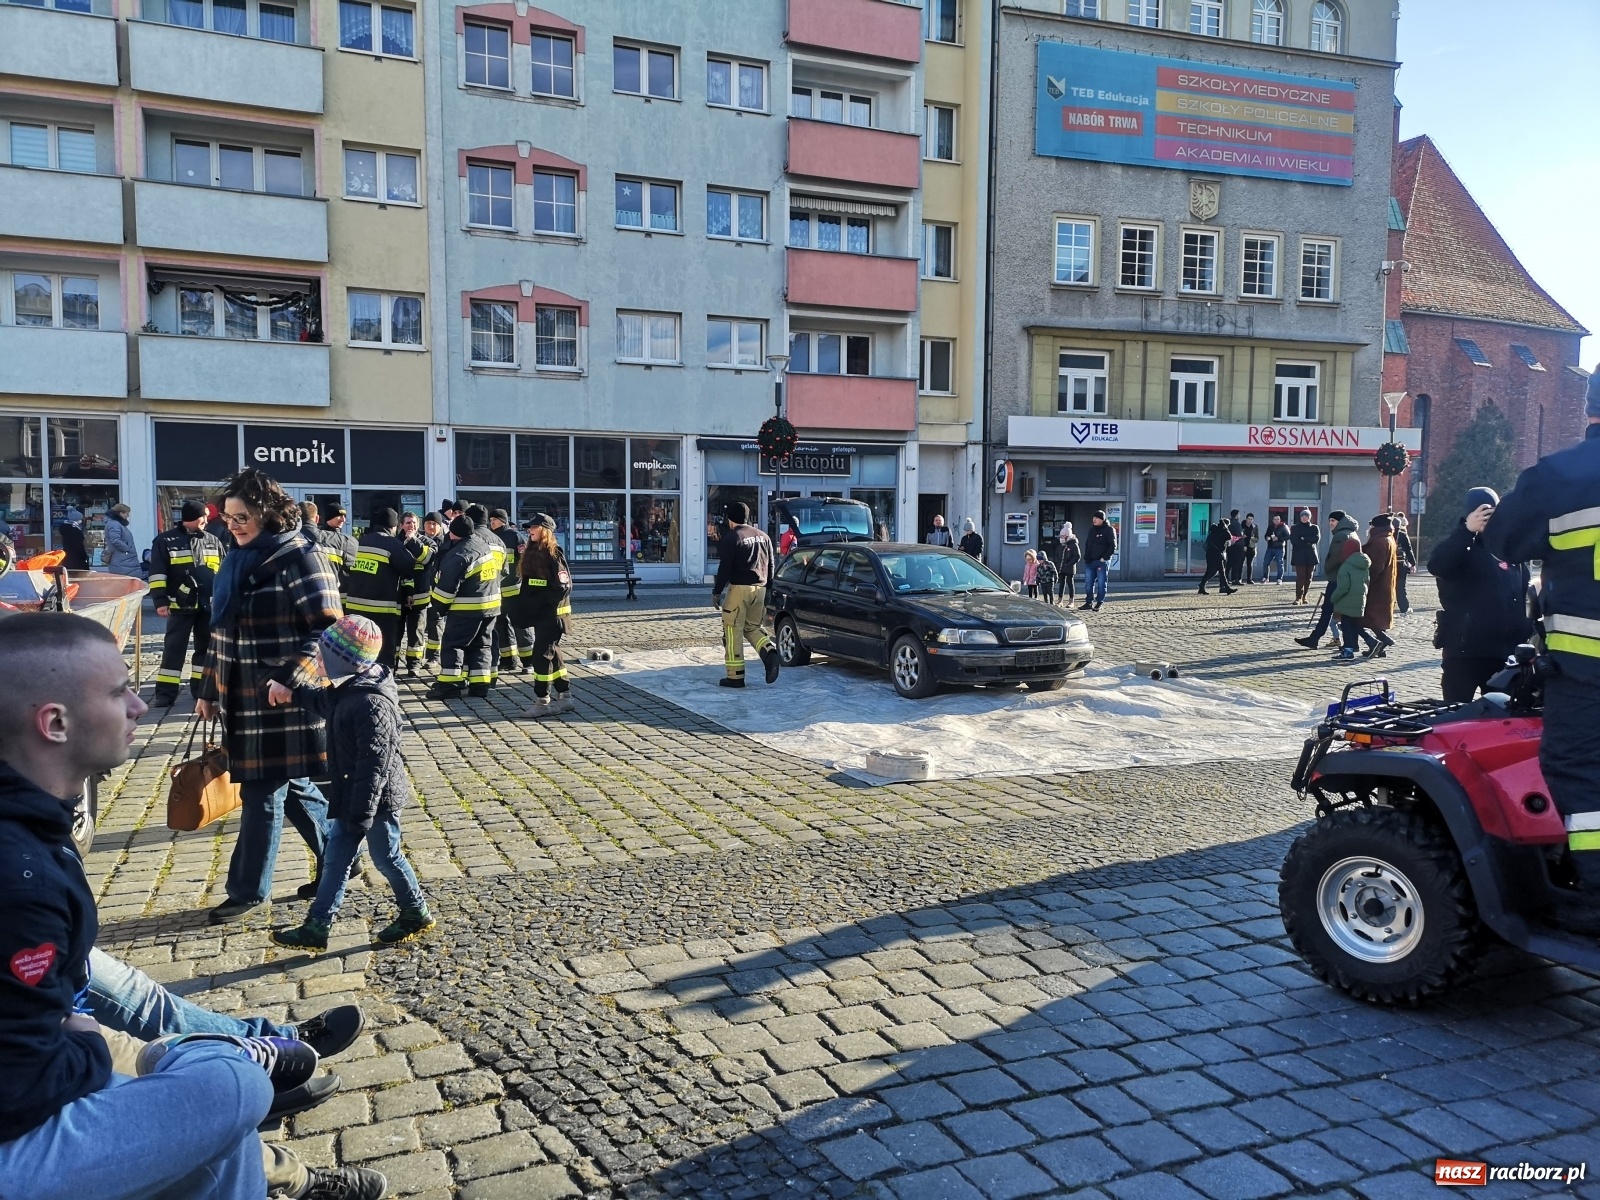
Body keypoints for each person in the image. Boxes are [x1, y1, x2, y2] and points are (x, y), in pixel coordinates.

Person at [0, 613, 386, 1200]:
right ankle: (245, 1060)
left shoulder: (31, 826)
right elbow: (21, 1083)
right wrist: (81, 1042)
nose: (140, 706)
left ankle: (266, 1093)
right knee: (230, 1091)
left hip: (51, 1045)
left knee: (146, 1012)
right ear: (54, 723)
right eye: (117, 691)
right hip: (22, 1131)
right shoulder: (20, 878)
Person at [84, 947, 379, 1198]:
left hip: (51, 1020)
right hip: (42, 1062)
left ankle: (260, 1064)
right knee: (169, 1115)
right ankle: (296, 1180)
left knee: (147, 1020)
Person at [1482, 373, 1600, 922]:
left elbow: (1504, 538)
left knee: (1579, 772)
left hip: (1588, 673)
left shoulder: (1564, 476)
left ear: (1588, 409)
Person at [197, 468, 337, 925]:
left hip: (284, 699)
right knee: (291, 786)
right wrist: (208, 690)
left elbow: (329, 630)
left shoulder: (302, 556)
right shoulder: (235, 559)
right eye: (229, 517)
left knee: (261, 793)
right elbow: (222, 631)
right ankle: (340, 858)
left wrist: (291, 677)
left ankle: (247, 891)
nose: (233, 526)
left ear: (270, 514)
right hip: (242, 697)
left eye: (243, 517)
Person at [271, 616, 434, 952]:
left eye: (321, 656)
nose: (316, 661)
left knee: (386, 857)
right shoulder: (348, 688)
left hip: (376, 802)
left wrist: (361, 813)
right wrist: (293, 691)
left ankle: (416, 911)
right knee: (335, 858)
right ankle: (318, 925)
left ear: (341, 660)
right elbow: (322, 703)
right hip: (350, 794)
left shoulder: (371, 702)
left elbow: (376, 765)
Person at [1427, 486, 1532, 703]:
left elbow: (1520, 595)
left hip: (1504, 653)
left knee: (1500, 719)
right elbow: (1438, 565)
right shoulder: (1460, 545)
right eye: (1481, 513)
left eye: (1492, 514)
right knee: (1456, 715)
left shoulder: (1507, 550)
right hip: (1465, 652)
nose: (1486, 519)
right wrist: (1467, 530)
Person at [148, 499, 227, 706]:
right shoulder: (165, 541)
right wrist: (160, 601)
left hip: (207, 606)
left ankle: (201, 690)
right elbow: (157, 573)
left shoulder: (213, 540)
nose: (207, 520)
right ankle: (165, 694)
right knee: (174, 649)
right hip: (178, 606)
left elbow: (223, 573)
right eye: (204, 516)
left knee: (206, 649)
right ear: (194, 518)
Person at [427, 513, 501, 699]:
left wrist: (438, 608)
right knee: (482, 645)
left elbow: (447, 588)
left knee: (454, 645)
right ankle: (480, 686)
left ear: (453, 533)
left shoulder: (460, 553)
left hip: (467, 609)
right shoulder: (481, 545)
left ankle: (449, 685)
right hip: (491, 607)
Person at [711, 501, 778, 689]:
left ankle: (735, 677)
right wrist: (769, 590)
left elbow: (724, 568)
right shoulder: (764, 537)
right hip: (761, 588)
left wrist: (717, 592)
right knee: (752, 627)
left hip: (739, 590)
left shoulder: (732, 538)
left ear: (730, 519)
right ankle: (770, 653)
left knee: (733, 630)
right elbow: (771, 565)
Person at [515, 513, 575, 718]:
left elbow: (563, 587)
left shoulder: (553, 553)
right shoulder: (534, 552)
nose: (529, 530)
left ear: (545, 530)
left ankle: (542, 702)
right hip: (541, 615)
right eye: (529, 527)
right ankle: (565, 697)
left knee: (541, 656)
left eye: (534, 527)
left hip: (553, 616)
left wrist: (541, 603)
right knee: (553, 653)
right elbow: (533, 585)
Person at [343, 507, 416, 671]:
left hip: (355, 607)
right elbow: (409, 565)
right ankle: (382, 680)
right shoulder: (392, 544)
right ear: (394, 526)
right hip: (381, 609)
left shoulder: (360, 541)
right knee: (382, 648)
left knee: (358, 646)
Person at [1295, 511, 1360, 648]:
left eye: (1333, 521)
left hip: (1338, 578)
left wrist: (1328, 569)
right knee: (1335, 611)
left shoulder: (1341, 535)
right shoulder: (1351, 532)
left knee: (1329, 610)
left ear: (1340, 522)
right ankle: (1317, 638)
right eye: (1329, 520)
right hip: (1345, 577)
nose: (1331, 523)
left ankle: (1352, 643)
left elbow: (1335, 558)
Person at [487, 509, 531, 677]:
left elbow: (525, 560)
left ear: (503, 521)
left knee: (520, 625)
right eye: (490, 519)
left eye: (495, 519)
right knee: (500, 625)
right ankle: (508, 659)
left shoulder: (515, 537)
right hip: (497, 592)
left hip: (514, 590)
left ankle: (528, 661)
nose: (492, 522)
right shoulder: (491, 537)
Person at [398, 511, 435, 676]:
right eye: (407, 523)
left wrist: (412, 541)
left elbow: (427, 559)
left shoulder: (427, 542)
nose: (411, 526)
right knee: (396, 632)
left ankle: (414, 665)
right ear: (401, 525)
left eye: (413, 523)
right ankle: (392, 664)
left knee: (416, 633)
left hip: (420, 595)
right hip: (398, 595)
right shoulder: (395, 542)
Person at [1358, 514, 1398, 659]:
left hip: (1376, 588)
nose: (1370, 528)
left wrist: (1365, 582)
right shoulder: (1387, 539)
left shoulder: (1380, 542)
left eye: (1372, 525)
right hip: (1382, 587)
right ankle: (1380, 647)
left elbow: (1375, 567)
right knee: (1372, 619)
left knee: (1360, 618)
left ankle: (1380, 642)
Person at [1329, 536, 1372, 661]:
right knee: (1354, 625)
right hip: (1360, 599)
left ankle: (1348, 651)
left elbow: (1343, 587)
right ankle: (1355, 646)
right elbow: (1367, 582)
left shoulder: (1346, 566)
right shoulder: (1365, 564)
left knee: (1347, 626)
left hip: (1346, 601)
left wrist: (1333, 598)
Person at [418, 511, 447, 671]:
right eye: (428, 523)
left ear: (440, 525)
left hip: (440, 589)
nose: (431, 526)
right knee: (422, 625)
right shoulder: (420, 540)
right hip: (422, 586)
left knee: (436, 624)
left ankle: (433, 657)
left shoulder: (446, 542)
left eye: (434, 523)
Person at [319, 504, 358, 599]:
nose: (343, 520)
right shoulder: (320, 537)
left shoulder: (347, 540)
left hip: (339, 593)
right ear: (329, 517)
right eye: (339, 516)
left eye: (344, 516)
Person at [1081, 510, 1116, 612]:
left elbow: (1113, 546)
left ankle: (1099, 602)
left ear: (1102, 519)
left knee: (1101, 583)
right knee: (1088, 583)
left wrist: (1104, 558)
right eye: (1093, 518)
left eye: (1097, 518)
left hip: (1102, 561)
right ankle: (1088, 602)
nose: (1094, 520)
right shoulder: (1092, 530)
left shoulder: (1109, 530)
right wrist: (1086, 557)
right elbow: (1088, 544)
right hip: (1090, 561)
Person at [1198, 515, 1236, 596]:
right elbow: (1229, 536)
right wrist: (1226, 528)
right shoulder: (1222, 532)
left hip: (1210, 553)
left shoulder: (1214, 531)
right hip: (1217, 554)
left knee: (1211, 571)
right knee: (1222, 571)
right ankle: (1226, 588)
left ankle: (1202, 586)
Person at [1288, 509, 1320, 602]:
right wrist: (1307, 541)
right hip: (1299, 555)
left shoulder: (1314, 528)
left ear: (1309, 517)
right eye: (1302, 516)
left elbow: (1316, 539)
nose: (1304, 518)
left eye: (1306, 516)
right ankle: (1298, 597)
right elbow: (1294, 541)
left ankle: (1305, 596)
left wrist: (1303, 538)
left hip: (1311, 555)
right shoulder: (1295, 528)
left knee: (1308, 577)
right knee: (1301, 577)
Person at [103, 503, 142, 577]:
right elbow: (115, 540)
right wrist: (127, 549)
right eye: (127, 513)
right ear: (121, 513)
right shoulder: (114, 524)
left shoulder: (115, 524)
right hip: (122, 560)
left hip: (123, 560)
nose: (128, 516)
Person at [1393, 512, 1417, 614]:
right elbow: (1408, 549)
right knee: (1400, 587)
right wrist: (1413, 563)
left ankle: (1388, 607)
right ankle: (1404, 608)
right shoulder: (1403, 534)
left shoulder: (1387, 534)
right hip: (1401, 564)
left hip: (1390, 564)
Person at [56, 507, 90, 572]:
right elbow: (79, 547)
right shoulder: (76, 532)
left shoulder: (66, 530)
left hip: (68, 560)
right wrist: (85, 556)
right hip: (77, 562)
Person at [1057, 522, 1081, 606]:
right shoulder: (1062, 545)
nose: (1062, 538)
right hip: (1062, 567)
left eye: (1064, 536)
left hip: (1070, 568)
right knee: (1061, 584)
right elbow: (1059, 555)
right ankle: (1060, 600)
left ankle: (1071, 600)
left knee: (1070, 583)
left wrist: (1069, 564)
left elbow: (1077, 556)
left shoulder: (1073, 544)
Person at [1261, 514, 1290, 584]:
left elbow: (1288, 536)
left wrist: (1279, 538)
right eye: (1275, 519)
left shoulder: (1283, 526)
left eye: (1278, 519)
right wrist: (1267, 538)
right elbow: (1266, 535)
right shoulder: (1270, 526)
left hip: (1279, 547)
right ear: (1273, 520)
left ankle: (1279, 579)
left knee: (1280, 563)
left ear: (1280, 520)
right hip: (1270, 547)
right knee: (1265, 563)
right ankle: (1265, 577)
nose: (1276, 521)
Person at [1237, 513, 1260, 585]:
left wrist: (1253, 539)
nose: (1250, 521)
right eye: (1249, 519)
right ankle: (1239, 579)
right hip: (1243, 547)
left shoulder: (1255, 527)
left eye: (1251, 519)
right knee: (1241, 563)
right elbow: (1238, 537)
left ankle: (1249, 579)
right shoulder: (1241, 526)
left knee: (1249, 564)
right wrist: (1242, 541)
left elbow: (1257, 538)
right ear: (1246, 519)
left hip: (1251, 547)